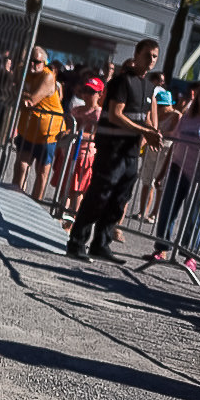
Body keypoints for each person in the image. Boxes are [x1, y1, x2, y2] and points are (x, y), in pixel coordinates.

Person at [67, 38, 162, 264]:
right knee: (99, 195)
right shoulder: (122, 82)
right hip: (111, 149)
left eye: (155, 56)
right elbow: (116, 114)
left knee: (120, 199)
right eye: (147, 55)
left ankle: (101, 244)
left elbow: (145, 117)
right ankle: (77, 242)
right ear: (137, 54)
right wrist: (145, 131)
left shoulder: (149, 87)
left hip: (130, 153)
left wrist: (153, 132)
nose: (151, 60)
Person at [148, 82, 200, 269]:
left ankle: (189, 255)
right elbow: (175, 144)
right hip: (177, 169)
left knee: (194, 216)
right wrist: (162, 171)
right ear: (197, 97)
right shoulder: (186, 118)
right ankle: (161, 248)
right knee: (167, 210)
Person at [12, 49, 65, 201]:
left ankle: (35, 205)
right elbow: (13, 88)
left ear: (44, 63)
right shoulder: (24, 72)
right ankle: (14, 199)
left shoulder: (47, 76)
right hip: (27, 131)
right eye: (30, 60)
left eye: (37, 62)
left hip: (47, 134)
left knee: (41, 172)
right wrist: (18, 91)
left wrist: (20, 93)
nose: (32, 64)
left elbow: (31, 101)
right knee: (21, 165)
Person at [62, 77, 106, 222]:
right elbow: (68, 128)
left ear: (100, 94)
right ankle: (60, 216)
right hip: (70, 153)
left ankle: (72, 221)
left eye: (92, 92)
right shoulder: (76, 109)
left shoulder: (99, 114)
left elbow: (96, 135)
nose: (87, 95)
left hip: (86, 155)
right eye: (85, 90)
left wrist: (76, 133)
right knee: (66, 188)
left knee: (78, 191)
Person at [139, 89, 180, 221]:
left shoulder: (176, 115)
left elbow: (176, 133)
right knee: (147, 180)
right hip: (152, 149)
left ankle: (155, 213)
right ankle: (142, 211)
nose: (160, 108)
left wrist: (161, 133)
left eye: (162, 106)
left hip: (165, 151)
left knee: (160, 183)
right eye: (158, 105)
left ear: (169, 104)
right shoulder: (154, 113)